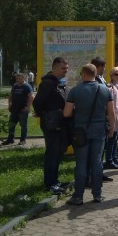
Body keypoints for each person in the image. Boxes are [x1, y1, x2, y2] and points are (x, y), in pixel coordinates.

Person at [63, 64, 115, 205]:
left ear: (84, 74)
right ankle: (97, 195)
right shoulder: (105, 89)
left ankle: (78, 196)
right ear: (95, 74)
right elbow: (111, 112)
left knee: (81, 163)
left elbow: (66, 113)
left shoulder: (75, 91)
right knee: (97, 161)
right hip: (99, 130)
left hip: (80, 131)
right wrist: (112, 127)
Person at [33, 57, 70, 195]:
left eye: (67, 68)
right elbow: (37, 102)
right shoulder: (48, 83)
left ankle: (55, 181)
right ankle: (49, 184)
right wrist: (43, 114)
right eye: (63, 68)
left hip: (60, 123)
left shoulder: (59, 83)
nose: (66, 70)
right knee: (52, 153)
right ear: (54, 68)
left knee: (58, 152)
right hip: (51, 124)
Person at [2, 73, 34, 146]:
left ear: (24, 79)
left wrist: (28, 107)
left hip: (22, 109)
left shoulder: (27, 86)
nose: (18, 80)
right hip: (14, 109)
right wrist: (9, 104)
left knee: (23, 125)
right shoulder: (15, 86)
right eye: (17, 79)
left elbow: (31, 97)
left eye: (20, 78)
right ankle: (10, 139)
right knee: (11, 124)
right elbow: (10, 95)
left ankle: (23, 140)